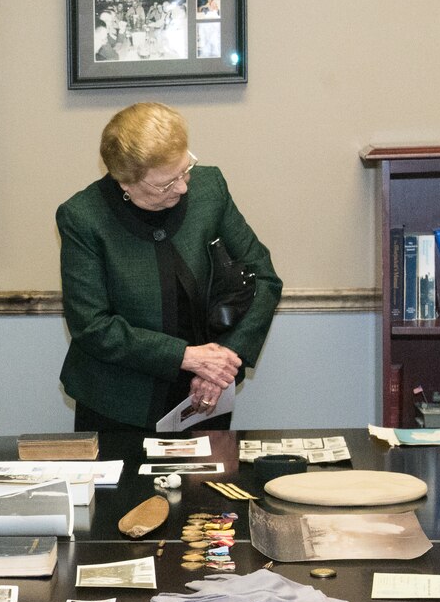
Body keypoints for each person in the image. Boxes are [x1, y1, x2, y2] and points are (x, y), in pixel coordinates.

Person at [56, 101, 281, 434]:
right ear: (125, 182)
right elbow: (92, 326)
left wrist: (222, 363)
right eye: (165, 183)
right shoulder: (84, 217)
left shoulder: (210, 189)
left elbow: (263, 278)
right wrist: (185, 357)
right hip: (118, 404)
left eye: (185, 169)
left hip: (205, 396)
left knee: (207, 487)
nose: (182, 187)